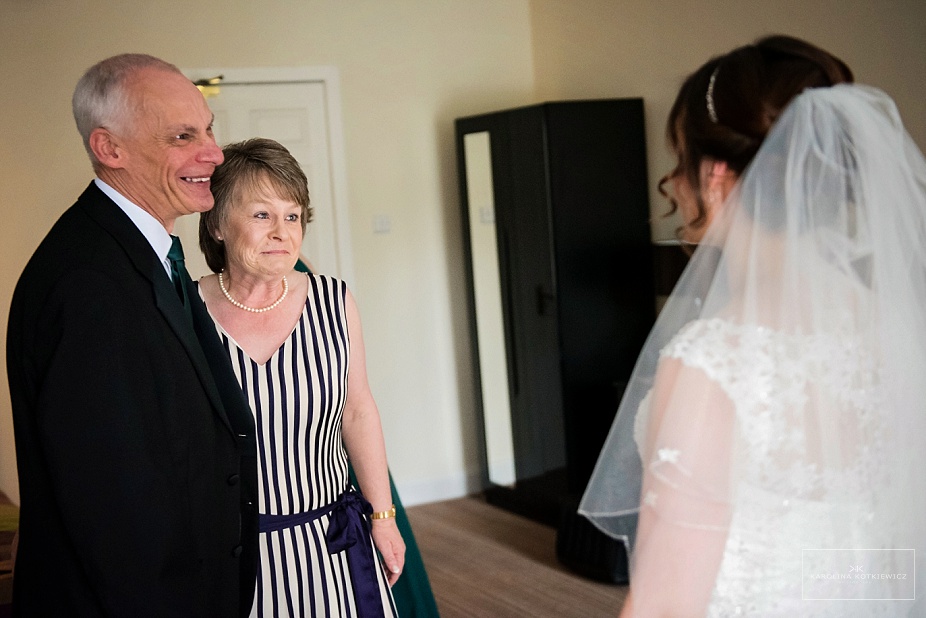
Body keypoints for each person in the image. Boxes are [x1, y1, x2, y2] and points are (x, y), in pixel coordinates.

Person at [579, 35, 926, 616]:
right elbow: (889, 555)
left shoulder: (715, 360)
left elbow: (666, 605)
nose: (675, 184)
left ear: (714, 177)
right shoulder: (896, 326)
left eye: (680, 162)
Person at [6, 54, 259, 615]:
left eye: (208, 129)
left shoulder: (146, 253)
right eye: (182, 136)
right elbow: (111, 506)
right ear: (109, 148)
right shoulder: (87, 283)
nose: (214, 153)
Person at [197, 137, 405, 618]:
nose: (281, 232)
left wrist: (383, 516)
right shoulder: (186, 311)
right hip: (229, 554)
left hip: (331, 543)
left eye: (293, 217)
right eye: (261, 215)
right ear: (216, 223)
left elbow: (358, 411)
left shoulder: (334, 301)